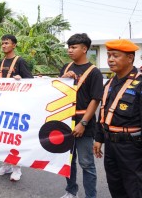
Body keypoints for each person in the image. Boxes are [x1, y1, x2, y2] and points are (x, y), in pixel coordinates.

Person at [93, 39, 142, 198]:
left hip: (132, 147)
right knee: (115, 186)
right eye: (108, 55)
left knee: (135, 188)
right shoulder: (110, 84)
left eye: (115, 55)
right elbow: (104, 113)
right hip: (110, 146)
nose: (110, 60)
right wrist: (99, 138)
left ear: (130, 58)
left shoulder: (140, 83)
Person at [0, 34, 33, 182]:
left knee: (14, 139)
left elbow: (30, 82)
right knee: (3, 138)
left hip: (16, 106)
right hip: (3, 105)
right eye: (2, 43)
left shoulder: (20, 61)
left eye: (6, 43)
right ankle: (6, 165)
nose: (3, 45)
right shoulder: (1, 62)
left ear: (14, 45)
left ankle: (17, 168)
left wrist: (21, 79)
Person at [59, 33, 103, 198]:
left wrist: (83, 123)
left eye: (74, 47)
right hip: (65, 122)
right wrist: (64, 78)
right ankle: (71, 191)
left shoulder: (94, 72)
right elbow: (58, 91)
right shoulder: (66, 67)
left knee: (86, 163)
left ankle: (91, 195)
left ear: (84, 49)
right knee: (68, 160)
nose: (70, 50)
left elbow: (95, 100)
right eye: (69, 47)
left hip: (83, 123)